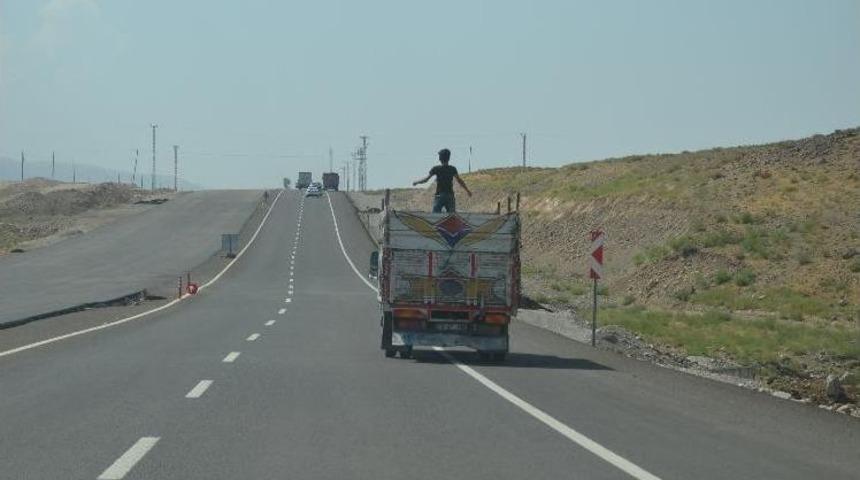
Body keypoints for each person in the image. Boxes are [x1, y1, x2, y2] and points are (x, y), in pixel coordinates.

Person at [413, 148, 472, 212]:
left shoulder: (436, 169)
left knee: (435, 217)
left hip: (439, 196)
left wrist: (416, 182)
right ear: (449, 158)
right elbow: (459, 181)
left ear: (440, 158)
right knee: (451, 216)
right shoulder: (452, 169)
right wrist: (467, 190)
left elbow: (426, 180)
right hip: (450, 195)